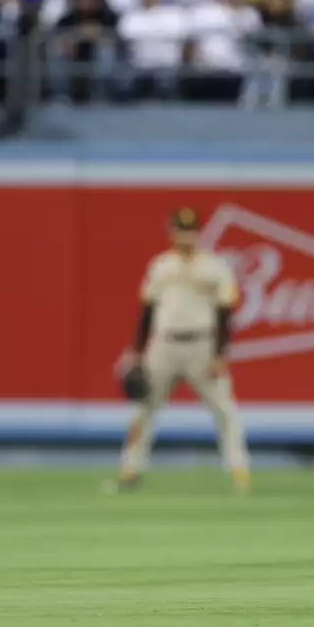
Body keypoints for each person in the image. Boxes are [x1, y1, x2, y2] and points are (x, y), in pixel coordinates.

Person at [111, 207, 251, 494]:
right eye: (180, 230)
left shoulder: (214, 266)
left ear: (198, 233)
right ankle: (130, 469)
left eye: (190, 230)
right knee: (143, 408)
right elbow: (147, 310)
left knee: (225, 410)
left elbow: (226, 312)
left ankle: (239, 471)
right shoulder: (160, 266)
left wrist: (220, 352)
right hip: (163, 345)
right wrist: (137, 351)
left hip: (202, 345)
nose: (185, 236)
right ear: (171, 232)